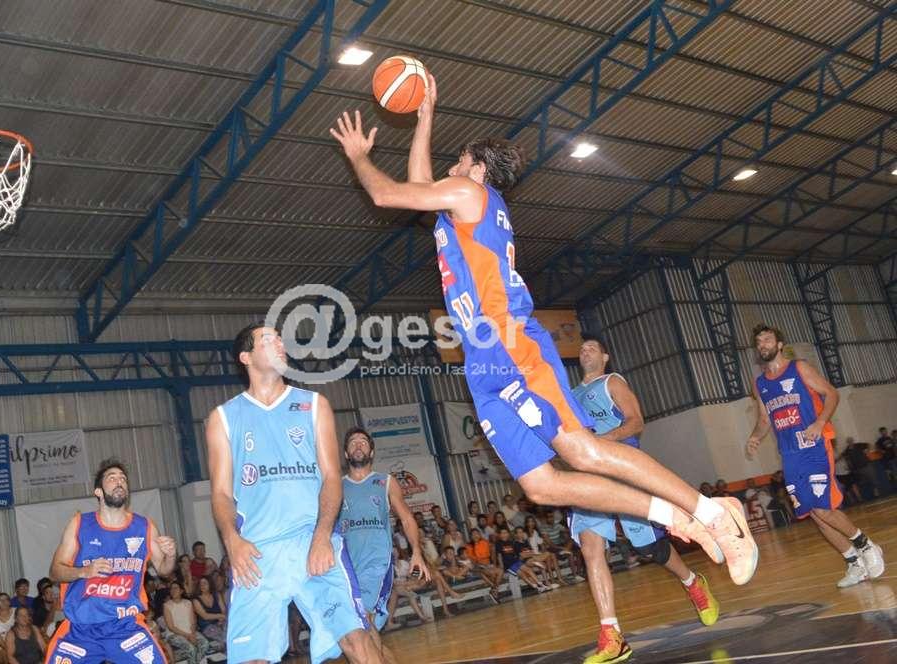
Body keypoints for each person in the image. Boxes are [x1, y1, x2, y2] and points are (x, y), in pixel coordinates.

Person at [330, 75, 757, 588]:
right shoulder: (459, 208)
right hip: (481, 363)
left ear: (478, 170)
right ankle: (677, 518)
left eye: (460, 159)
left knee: (583, 451)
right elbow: (420, 185)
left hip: (512, 344)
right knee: (542, 487)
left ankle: (712, 511)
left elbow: (387, 193)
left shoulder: (471, 193)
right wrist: (424, 118)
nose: (453, 166)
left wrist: (359, 156)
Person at [205, 324, 380, 664]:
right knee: (251, 659)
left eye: (280, 339)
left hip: (311, 539)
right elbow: (221, 493)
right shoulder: (223, 418)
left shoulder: (314, 405)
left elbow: (332, 477)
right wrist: (231, 540)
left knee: (357, 640)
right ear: (246, 357)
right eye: (268, 339)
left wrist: (322, 536)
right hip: (257, 550)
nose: (280, 344)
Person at [569, 336, 719, 663]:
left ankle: (693, 582)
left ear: (605, 357)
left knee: (650, 549)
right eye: (582, 348)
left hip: (623, 467)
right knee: (591, 547)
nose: (585, 350)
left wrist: (603, 442)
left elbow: (636, 421)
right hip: (590, 476)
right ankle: (612, 636)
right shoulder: (571, 395)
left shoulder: (612, 382)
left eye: (592, 347)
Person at [747, 324, 885, 588]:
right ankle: (854, 563)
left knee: (823, 508)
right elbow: (764, 419)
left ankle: (866, 545)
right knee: (813, 512)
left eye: (767, 339)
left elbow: (831, 393)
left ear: (779, 345)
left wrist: (820, 422)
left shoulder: (799, 368)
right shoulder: (760, 384)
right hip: (789, 455)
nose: (762, 344)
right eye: (759, 341)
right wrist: (755, 436)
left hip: (814, 447)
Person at [44, 458, 176, 664]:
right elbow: (54, 572)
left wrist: (171, 555)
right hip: (81, 628)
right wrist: (83, 571)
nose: (119, 482)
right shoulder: (80, 524)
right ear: (98, 491)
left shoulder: (144, 527)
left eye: (123, 478)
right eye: (112, 478)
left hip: (125, 626)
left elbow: (164, 570)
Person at [340, 427, 430, 662]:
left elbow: (407, 518)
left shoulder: (385, 482)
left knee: (363, 622)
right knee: (361, 632)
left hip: (376, 563)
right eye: (352, 442)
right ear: (346, 453)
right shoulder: (336, 486)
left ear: (371, 452)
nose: (358, 445)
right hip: (347, 568)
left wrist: (416, 552)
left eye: (363, 441)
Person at [162, 581, 208, 664]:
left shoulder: (188, 603)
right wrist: (188, 636)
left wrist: (192, 634)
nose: (173, 590)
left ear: (181, 591)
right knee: (191, 649)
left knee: (205, 643)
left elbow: (193, 621)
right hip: (174, 635)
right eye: (171, 588)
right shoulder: (167, 605)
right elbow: (171, 627)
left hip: (190, 632)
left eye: (176, 588)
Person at [191, 576, 226, 648]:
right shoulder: (196, 600)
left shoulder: (217, 595)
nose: (202, 586)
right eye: (201, 584)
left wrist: (222, 619)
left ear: (210, 584)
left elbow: (224, 610)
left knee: (231, 632)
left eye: (205, 583)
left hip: (221, 622)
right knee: (224, 638)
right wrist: (220, 616)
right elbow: (205, 616)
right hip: (207, 626)